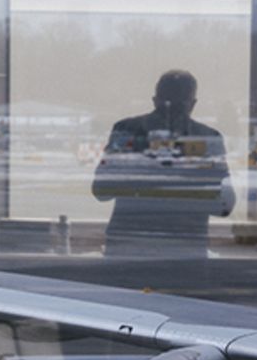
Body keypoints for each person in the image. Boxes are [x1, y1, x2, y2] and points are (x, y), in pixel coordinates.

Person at [92, 70, 236, 257]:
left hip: (129, 246)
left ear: (155, 100)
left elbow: (101, 191)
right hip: (185, 248)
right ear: (192, 104)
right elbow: (224, 206)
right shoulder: (207, 138)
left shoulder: (127, 131)